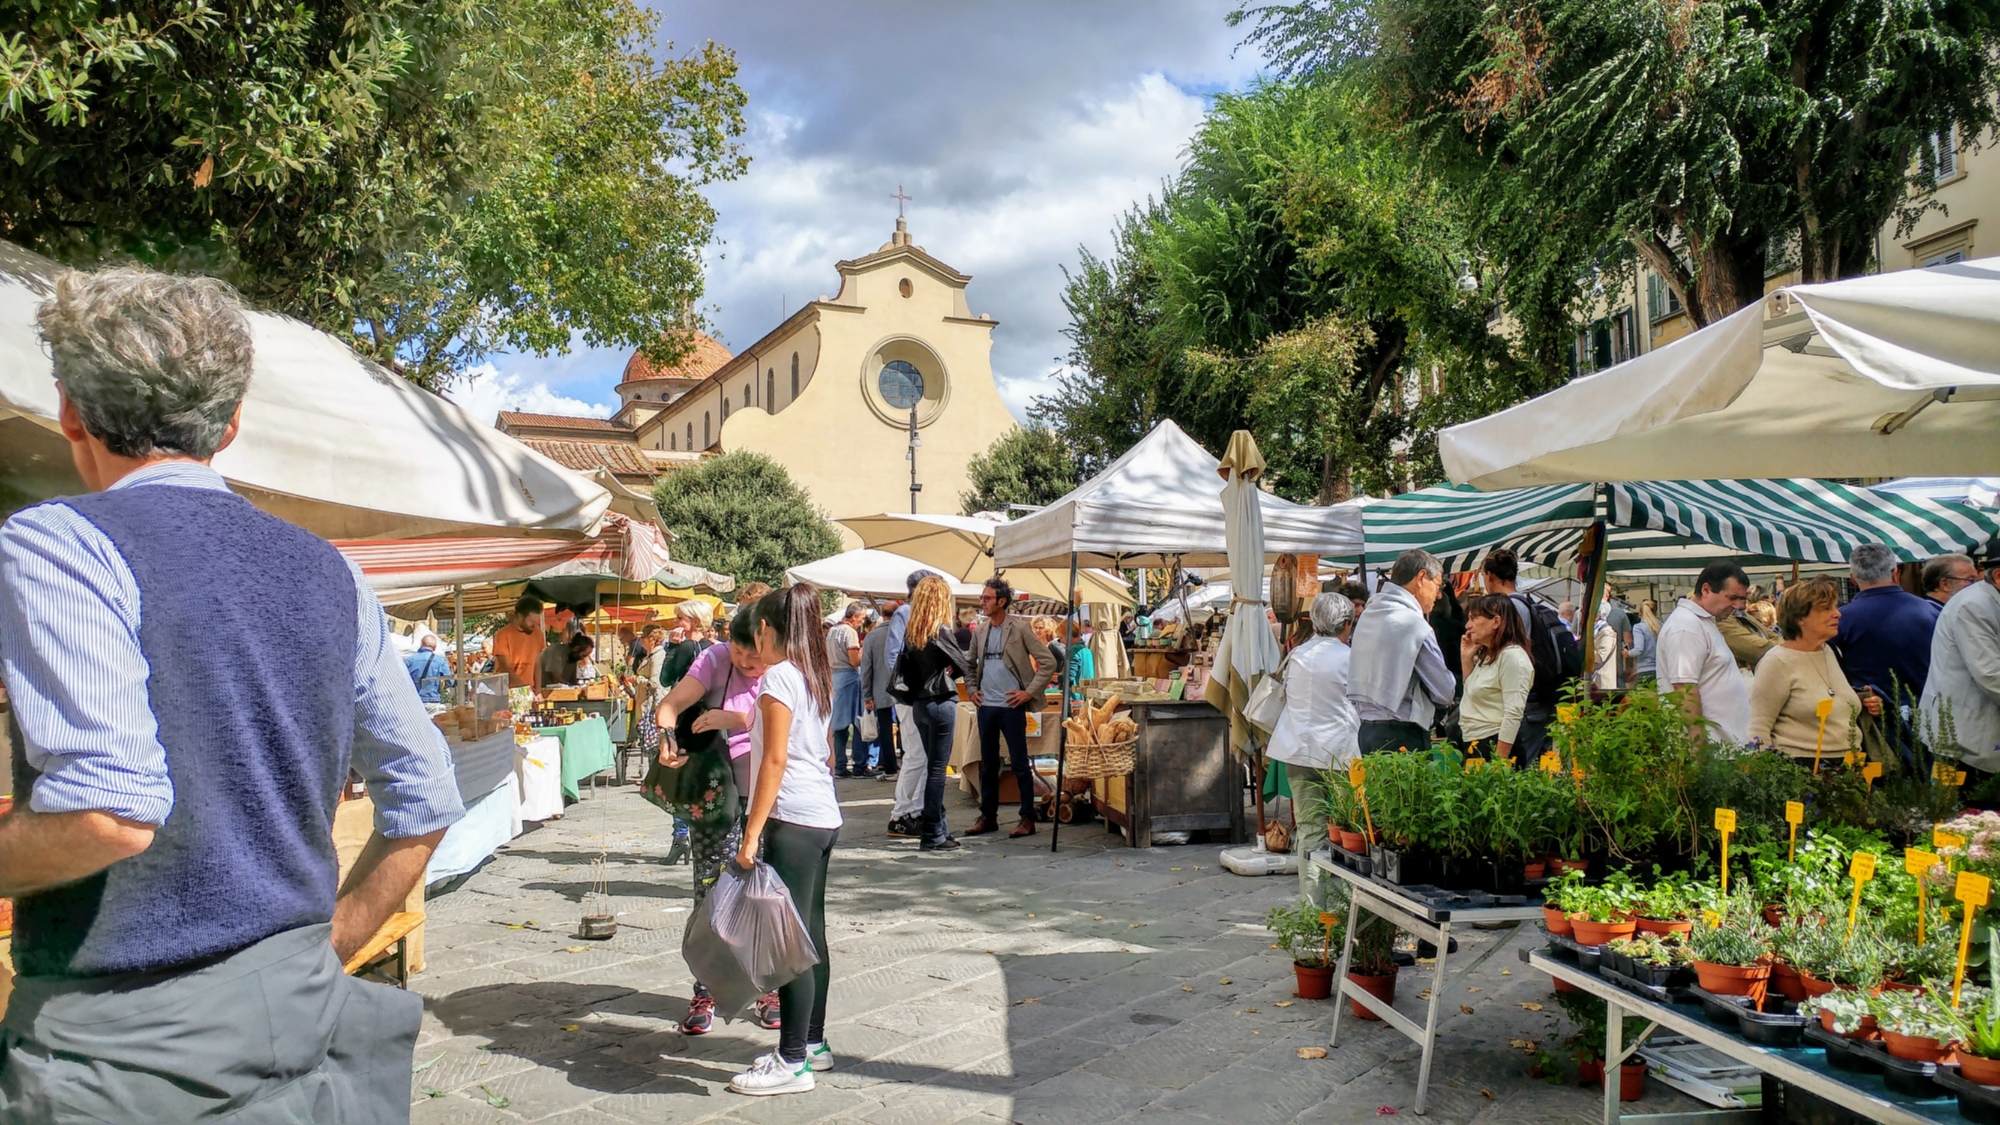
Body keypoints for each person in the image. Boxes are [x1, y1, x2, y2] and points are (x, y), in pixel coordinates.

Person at [0, 266, 464, 1122]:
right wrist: (333, 943)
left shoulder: (59, 542)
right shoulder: (332, 570)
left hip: (124, 1047)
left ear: (70, 410)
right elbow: (428, 792)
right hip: (297, 1011)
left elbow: (109, 808)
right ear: (232, 420)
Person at [727, 584, 843, 1097]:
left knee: (791, 941)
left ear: (767, 629)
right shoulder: (815, 674)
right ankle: (813, 1044)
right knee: (811, 932)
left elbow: (772, 759)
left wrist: (751, 831)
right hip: (820, 814)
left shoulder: (779, 676)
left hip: (791, 817)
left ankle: (791, 1059)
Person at [654, 608, 772, 1035]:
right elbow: (671, 704)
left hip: (770, 796)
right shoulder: (714, 658)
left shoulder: (785, 665)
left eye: (755, 657)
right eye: (741, 653)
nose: (748, 664)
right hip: (717, 795)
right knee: (710, 891)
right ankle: (706, 986)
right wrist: (667, 736)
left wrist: (736, 719)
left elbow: (799, 724)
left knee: (767, 892)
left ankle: (768, 986)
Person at [1265, 592, 1360, 905]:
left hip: (1298, 750)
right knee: (1349, 829)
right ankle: (1346, 903)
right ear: (1347, 623)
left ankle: (1312, 906)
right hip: (1340, 753)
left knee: (1309, 829)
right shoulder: (1350, 658)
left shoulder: (1298, 655)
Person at [1747, 576, 1881, 763]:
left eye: (1834, 606)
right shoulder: (1776, 662)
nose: (1838, 614)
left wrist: (1866, 704)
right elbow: (1758, 729)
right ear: (1800, 617)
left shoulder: (1831, 651)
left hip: (1850, 768)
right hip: (1801, 774)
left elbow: (1828, 699)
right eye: (1827, 608)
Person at [964, 577, 1057, 839]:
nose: (982, 603)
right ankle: (988, 816)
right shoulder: (980, 630)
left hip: (1011, 706)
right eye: (982, 598)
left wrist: (1028, 691)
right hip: (986, 707)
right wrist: (972, 690)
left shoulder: (1019, 627)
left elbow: (1047, 661)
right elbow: (969, 664)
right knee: (988, 764)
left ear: (1001, 601)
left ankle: (1027, 818)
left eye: (987, 598)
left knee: (1019, 762)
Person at [889, 575, 970, 851]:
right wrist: (951, 670)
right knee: (937, 771)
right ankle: (933, 833)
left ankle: (939, 830)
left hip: (920, 705)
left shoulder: (913, 633)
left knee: (931, 769)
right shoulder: (941, 630)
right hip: (940, 702)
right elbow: (963, 663)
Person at [1348, 549, 1455, 754]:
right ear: (1422, 577)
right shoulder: (1412, 624)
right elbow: (1445, 691)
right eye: (1438, 585)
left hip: (1366, 731)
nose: (1439, 594)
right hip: (1402, 733)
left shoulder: (1368, 616)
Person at [1479, 548, 1577, 758]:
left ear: (1490, 576)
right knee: (1539, 767)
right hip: (1541, 696)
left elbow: (1509, 656)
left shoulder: (1508, 608)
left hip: (1525, 702)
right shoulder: (1527, 603)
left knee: (1522, 769)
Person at [1921, 547, 2000, 776]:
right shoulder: (1974, 605)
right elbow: (1991, 674)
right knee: (1961, 810)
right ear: (1997, 576)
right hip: (1964, 742)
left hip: (1977, 736)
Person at [1657, 562, 1754, 743]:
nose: (1738, 605)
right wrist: (1698, 750)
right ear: (1707, 590)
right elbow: (1684, 690)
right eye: (1732, 597)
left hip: (1724, 750)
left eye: (1742, 598)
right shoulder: (1686, 626)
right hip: (1712, 753)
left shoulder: (1702, 622)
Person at [1834, 542, 1941, 707]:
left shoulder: (1839, 620)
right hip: (1930, 713)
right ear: (1895, 573)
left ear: (1853, 579)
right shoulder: (1932, 611)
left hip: (1872, 719)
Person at [1457, 594, 1534, 763]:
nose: (1467, 626)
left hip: (1494, 745)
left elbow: (1513, 713)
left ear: (1496, 621)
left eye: (1474, 619)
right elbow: (1472, 695)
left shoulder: (1512, 657)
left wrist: (1499, 761)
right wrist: (1466, 659)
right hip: (1475, 742)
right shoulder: (1488, 655)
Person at [881, 572, 930, 837]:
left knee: (922, 753)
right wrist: (907, 688)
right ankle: (901, 813)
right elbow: (893, 656)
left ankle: (915, 809)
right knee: (916, 753)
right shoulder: (905, 613)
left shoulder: (923, 613)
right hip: (909, 697)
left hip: (921, 695)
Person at [827, 600, 868, 777]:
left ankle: (840, 764)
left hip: (834, 677)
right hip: (849, 677)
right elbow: (854, 660)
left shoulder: (831, 631)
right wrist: (865, 651)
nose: (863, 622)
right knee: (857, 722)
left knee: (838, 725)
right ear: (854, 616)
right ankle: (859, 764)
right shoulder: (849, 632)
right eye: (863, 618)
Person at [492, 594, 546, 690]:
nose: (534, 625)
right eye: (531, 621)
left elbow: (537, 663)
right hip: (506, 691)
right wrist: (525, 690)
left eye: (536, 622)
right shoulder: (502, 635)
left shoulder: (537, 633)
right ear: (520, 616)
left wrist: (538, 690)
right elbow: (505, 668)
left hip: (529, 690)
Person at [658, 600, 714, 688]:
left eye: (679, 618)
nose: (674, 621)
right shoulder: (712, 646)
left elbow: (665, 680)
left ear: (695, 622)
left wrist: (672, 646)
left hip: (685, 699)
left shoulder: (687, 646)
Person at [404, 632, 449, 704]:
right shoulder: (440, 661)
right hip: (432, 700)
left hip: (413, 700)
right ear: (435, 647)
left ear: (421, 645)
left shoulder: (409, 660)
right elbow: (450, 681)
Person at [1628, 600, 1660, 685]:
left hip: (1644, 670)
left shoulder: (1639, 627)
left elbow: (1638, 649)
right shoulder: (1662, 626)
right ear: (1656, 612)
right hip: (1660, 671)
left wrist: (1627, 653)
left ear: (1640, 612)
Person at [1591, 602, 1620, 691]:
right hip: (1595, 680)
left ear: (1597, 616)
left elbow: (1600, 656)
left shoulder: (1606, 632)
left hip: (1602, 681)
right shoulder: (1596, 630)